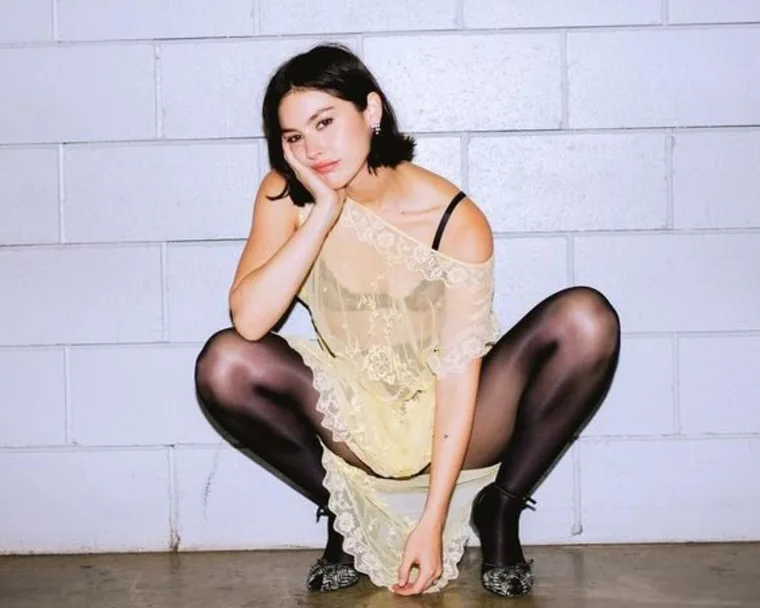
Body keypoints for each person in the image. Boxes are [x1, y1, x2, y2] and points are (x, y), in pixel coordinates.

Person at [194, 43, 620, 597]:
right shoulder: (286, 197)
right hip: (353, 415)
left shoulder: (453, 219)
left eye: (325, 122)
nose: (313, 149)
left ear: (370, 111)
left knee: (586, 319)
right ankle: (345, 519)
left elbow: (457, 373)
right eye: (294, 137)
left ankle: (500, 510)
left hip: (457, 414)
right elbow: (249, 322)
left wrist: (434, 519)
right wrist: (323, 212)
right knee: (225, 363)